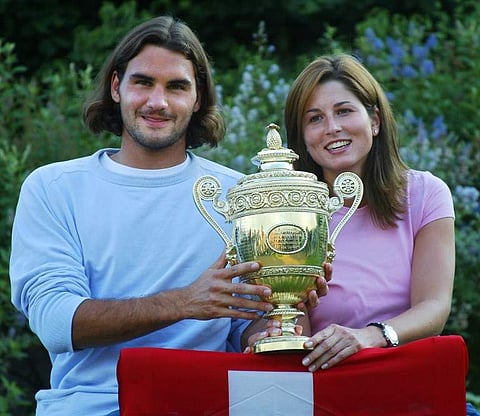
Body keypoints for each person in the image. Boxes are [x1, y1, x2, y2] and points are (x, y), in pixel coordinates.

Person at [8, 16, 328, 416]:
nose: (157, 102)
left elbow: (248, 328)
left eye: (177, 87)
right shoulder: (54, 188)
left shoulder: (243, 196)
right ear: (115, 87)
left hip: (210, 404)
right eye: (143, 82)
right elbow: (57, 323)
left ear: (198, 99)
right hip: (96, 406)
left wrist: (288, 311)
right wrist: (185, 303)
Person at [245, 52, 459, 376]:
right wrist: (278, 332)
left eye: (343, 111)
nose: (332, 128)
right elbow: (287, 316)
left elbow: (434, 308)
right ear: (301, 137)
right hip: (328, 384)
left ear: (374, 121)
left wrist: (369, 337)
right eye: (314, 118)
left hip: (409, 380)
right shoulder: (287, 215)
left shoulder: (425, 194)